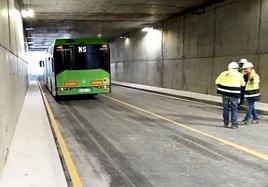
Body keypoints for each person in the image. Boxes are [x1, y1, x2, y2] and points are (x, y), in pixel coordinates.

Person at [215, 62, 245, 128]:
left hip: (224, 93)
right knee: (234, 108)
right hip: (234, 94)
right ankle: (234, 124)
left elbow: (216, 82)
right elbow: (243, 84)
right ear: (236, 68)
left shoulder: (223, 73)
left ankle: (225, 124)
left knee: (225, 108)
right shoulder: (239, 74)